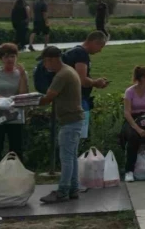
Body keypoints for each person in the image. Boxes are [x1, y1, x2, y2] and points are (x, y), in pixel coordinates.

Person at [38, 46, 84, 203]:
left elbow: (48, 98)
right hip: (75, 119)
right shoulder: (69, 70)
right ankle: (73, 189)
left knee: (66, 158)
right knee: (71, 157)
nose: (45, 66)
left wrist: (26, 101)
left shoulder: (61, 75)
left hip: (69, 121)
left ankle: (63, 191)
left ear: (51, 59)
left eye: (45, 62)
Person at [0, 43, 29, 172]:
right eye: (6, 57)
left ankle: (16, 175)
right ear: (1, 58)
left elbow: (23, 94)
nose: (10, 60)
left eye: (13, 56)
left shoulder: (21, 74)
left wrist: (23, 76)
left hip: (15, 116)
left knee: (16, 148)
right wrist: (1, 98)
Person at [62, 31, 109, 141]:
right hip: (78, 99)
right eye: (100, 46)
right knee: (79, 136)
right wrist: (96, 82)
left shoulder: (73, 51)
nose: (100, 50)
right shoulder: (81, 54)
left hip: (69, 98)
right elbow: (81, 80)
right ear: (94, 42)